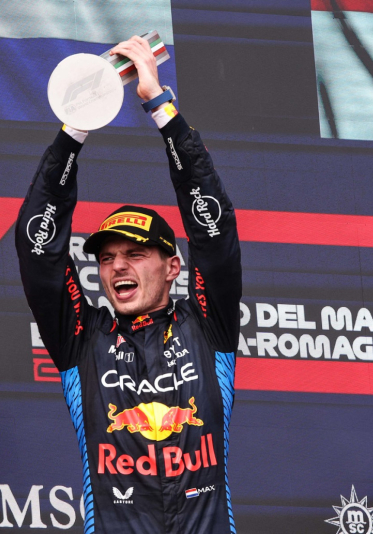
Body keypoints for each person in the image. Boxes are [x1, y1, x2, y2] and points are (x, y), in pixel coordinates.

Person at [15, 36, 241, 534]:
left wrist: (161, 108)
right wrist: (77, 124)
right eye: (107, 258)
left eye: (136, 255)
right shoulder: (82, 339)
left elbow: (214, 232)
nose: (118, 266)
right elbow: (38, 251)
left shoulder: (208, 327)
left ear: (173, 267)